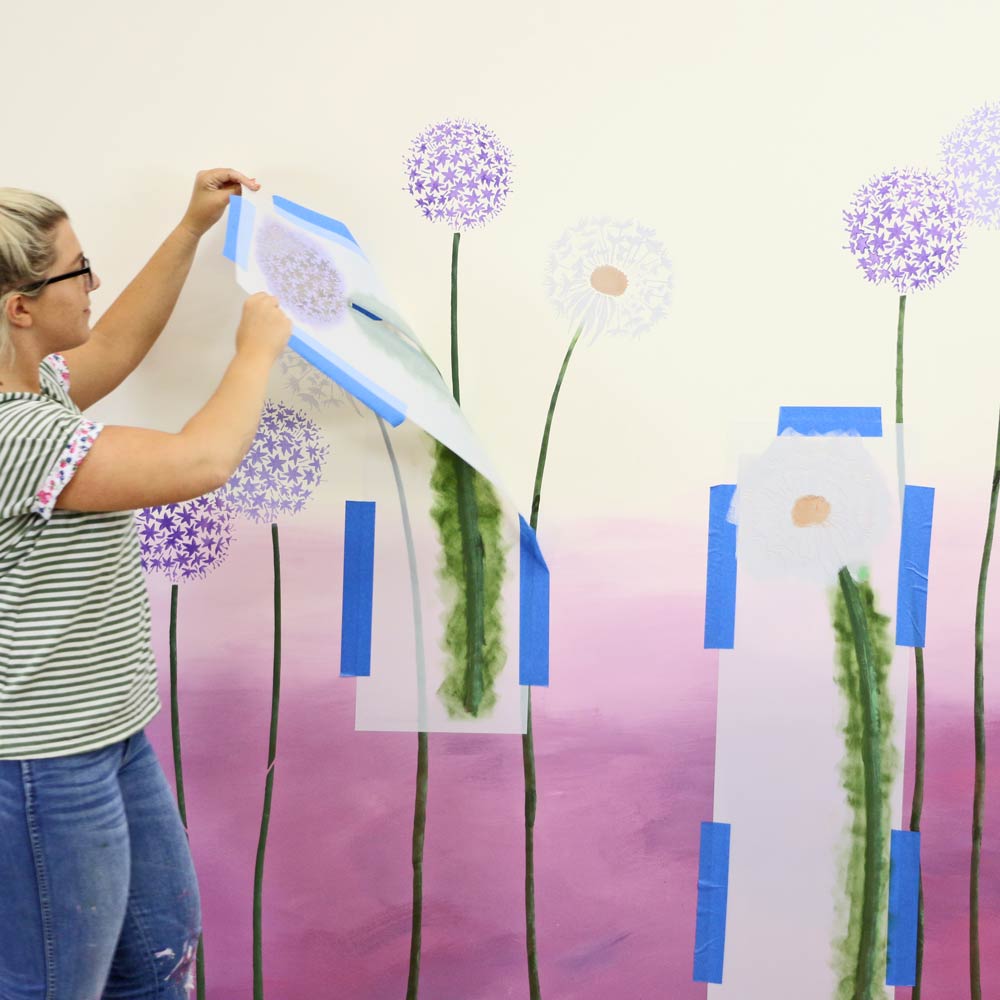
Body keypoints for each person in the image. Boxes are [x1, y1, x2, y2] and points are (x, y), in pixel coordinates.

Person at [0, 170, 292, 997]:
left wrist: (192, 227)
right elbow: (201, 460)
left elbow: (116, 345)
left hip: (109, 734)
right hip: (40, 765)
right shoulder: (13, 434)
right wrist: (255, 350)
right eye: (76, 271)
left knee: (156, 962)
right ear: (20, 306)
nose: (93, 283)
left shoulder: (36, 383)